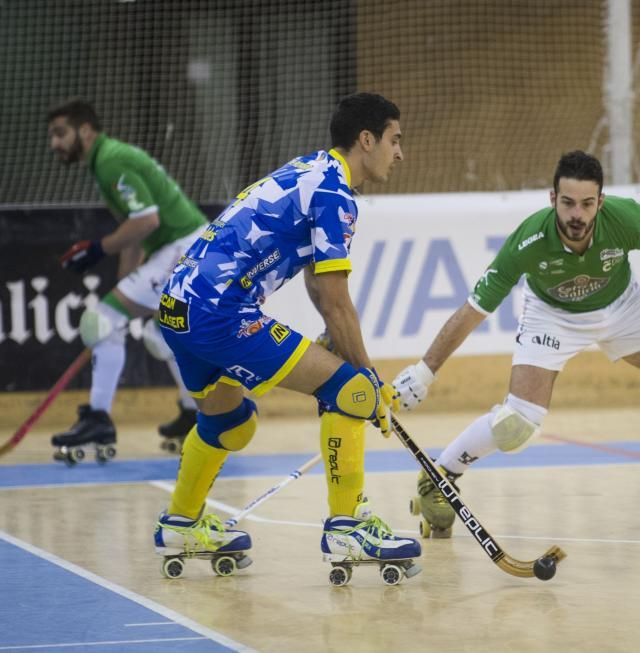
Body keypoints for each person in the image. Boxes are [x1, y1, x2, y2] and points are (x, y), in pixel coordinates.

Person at [393, 150, 640, 536]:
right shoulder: (528, 241)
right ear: (552, 198)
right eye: (568, 202)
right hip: (551, 316)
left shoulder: (626, 217)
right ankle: (439, 477)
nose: (577, 214)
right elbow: (472, 310)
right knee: (516, 426)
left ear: (600, 202)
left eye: (587, 204)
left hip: (624, 307)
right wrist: (424, 372)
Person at [152, 92, 421, 579]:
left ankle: (182, 524)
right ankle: (347, 527)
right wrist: (369, 378)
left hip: (178, 307)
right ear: (367, 140)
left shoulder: (313, 169)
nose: (400, 153)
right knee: (352, 392)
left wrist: (336, 340)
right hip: (220, 312)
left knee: (230, 421)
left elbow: (319, 280)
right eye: (394, 140)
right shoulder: (335, 193)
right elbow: (338, 300)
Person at [46, 98, 203, 457]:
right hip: (184, 246)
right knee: (159, 332)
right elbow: (135, 233)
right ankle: (195, 413)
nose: (54, 143)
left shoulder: (111, 160)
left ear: (85, 131)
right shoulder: (106, 160)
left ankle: (99, 418)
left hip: (183, 247)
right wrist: (122, 285)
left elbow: (147, 222)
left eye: (60, 133)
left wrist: (99, 249)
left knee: (100, 320)